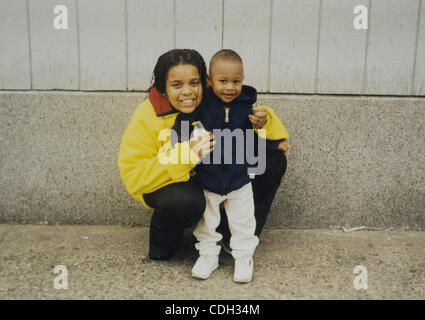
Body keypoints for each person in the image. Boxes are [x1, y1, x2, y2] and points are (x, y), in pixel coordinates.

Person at [118, 48, 290, 262]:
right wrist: (186, 154)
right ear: (162, 87)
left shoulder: (216, 98)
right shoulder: (148, 114)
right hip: (177, 183)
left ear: (205, 82)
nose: (188, 91)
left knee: (270, 162)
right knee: (186, 201)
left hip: (215, 174)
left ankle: (233, 235)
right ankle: (165, 241)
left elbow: (245, 115)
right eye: (177, 85)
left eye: (194, 83)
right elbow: (134, 174)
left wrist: (267, 125)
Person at [187, 49, 290, 283]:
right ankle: (208, 255)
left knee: (243, 220)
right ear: (210, 82)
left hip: (239, 175)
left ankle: (243, 257)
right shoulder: (202, 106)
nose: (230, 87)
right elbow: (189, 132)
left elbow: (256, 133)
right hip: (208, 175)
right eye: (223, 81)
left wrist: (274, 143)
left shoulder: (248, 106)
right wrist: (188, 164)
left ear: (243, 79)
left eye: (237, 81)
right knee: (207, 222)